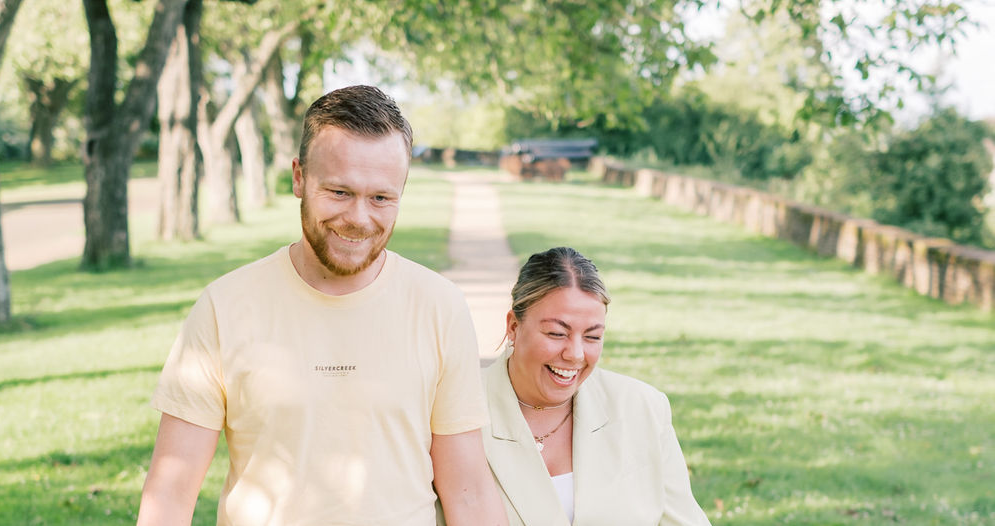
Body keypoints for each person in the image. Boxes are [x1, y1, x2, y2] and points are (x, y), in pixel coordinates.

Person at [136, 85, 507, 526]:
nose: (359, 218)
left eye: (381, 198)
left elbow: (467, 491)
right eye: (338, 192)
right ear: (299, 177)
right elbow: (171, 494)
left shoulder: (439, 307)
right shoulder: (225, 306)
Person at [482, 247, 710, 525]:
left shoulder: (643, 407)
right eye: (557, 333)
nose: (575, 354)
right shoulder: (459, 409)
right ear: (514, 327)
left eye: (592, 336)